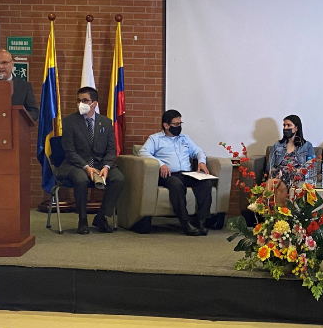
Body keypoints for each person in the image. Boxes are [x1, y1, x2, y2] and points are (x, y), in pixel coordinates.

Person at [57, 87, 124, 235]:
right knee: (81, 179)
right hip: (77, 164)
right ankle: (82, 220)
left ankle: (101, 217)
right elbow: (69, 151)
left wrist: (106, 166)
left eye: (85, 100)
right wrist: (86, 167)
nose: (81, 103)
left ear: (94, 103)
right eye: (78, 100)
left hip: (100, 163)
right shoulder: (69, 122)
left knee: (118, 178)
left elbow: (111, 149)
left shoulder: (105, 122)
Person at [138, 110, 213, 236]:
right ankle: (185, 223)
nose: (179, 127)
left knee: (205, 182)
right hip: (168, 175)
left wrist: (201, 162)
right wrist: (161, 164)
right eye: (176, 124)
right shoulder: (155, 139)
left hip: (186, 173)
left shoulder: (185, 138)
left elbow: (199, 151)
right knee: (176, 185)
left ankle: (201, 221)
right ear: (166, 125)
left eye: (180, 123)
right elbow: (142, 153)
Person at [265, 115, 315, 205]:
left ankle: (262, 202)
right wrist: (275, 173)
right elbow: (269, 166)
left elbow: (312, 166)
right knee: (281, 185)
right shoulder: (277, 145)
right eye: (284, 125)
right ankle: (280, 216)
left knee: (280, 176)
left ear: (296, 128)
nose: (285, 128)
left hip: (296, 175)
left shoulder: (306, 146)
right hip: (278, 175)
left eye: (289, 125)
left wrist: (297, 170)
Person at [0, 49, 39, 121]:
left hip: (15, 128)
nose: (0, 67)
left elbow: (34, 113)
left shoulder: (24, 86)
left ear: (12, 64)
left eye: (4, 62)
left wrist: (17, 119)